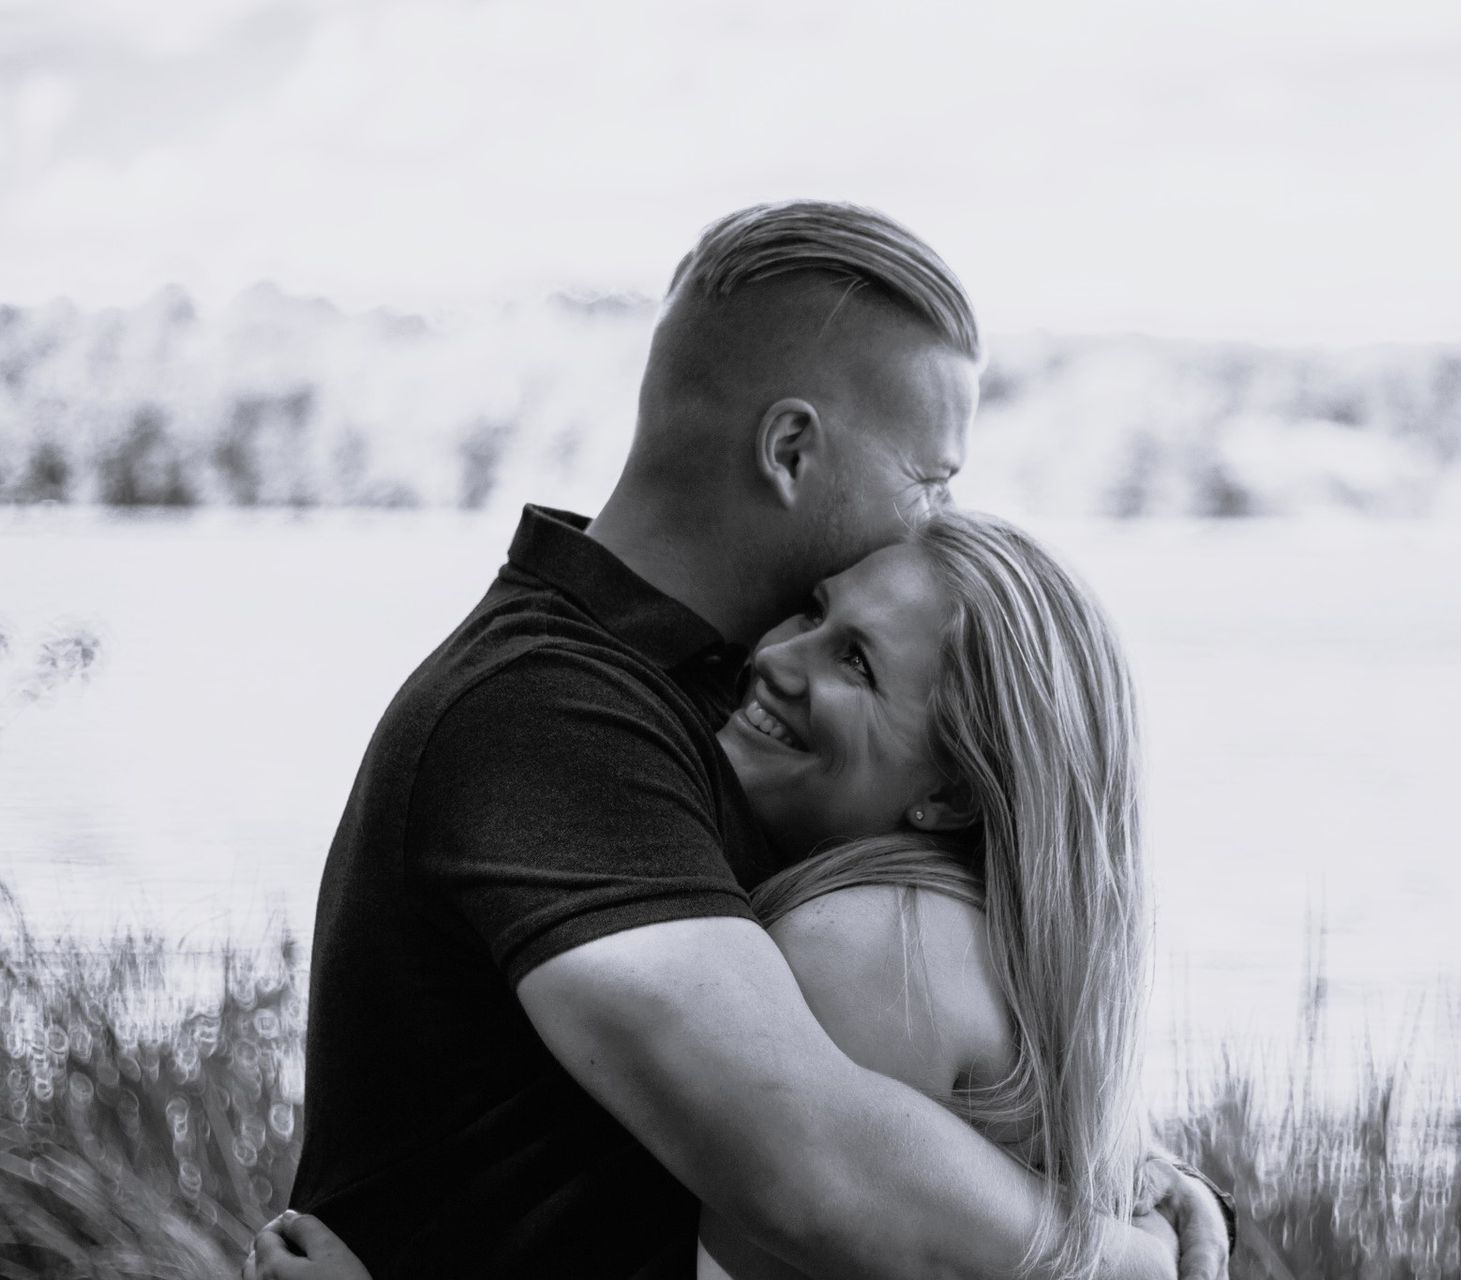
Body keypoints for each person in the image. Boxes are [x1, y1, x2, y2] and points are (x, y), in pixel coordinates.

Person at [275, 201, 1232, 1279]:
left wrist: (1112, 1167)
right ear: (789, 449)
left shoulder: (722, 698)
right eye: (930, 475)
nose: (932, 518)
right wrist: (1118, 1260)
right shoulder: (548, 717)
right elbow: (808, 1164)